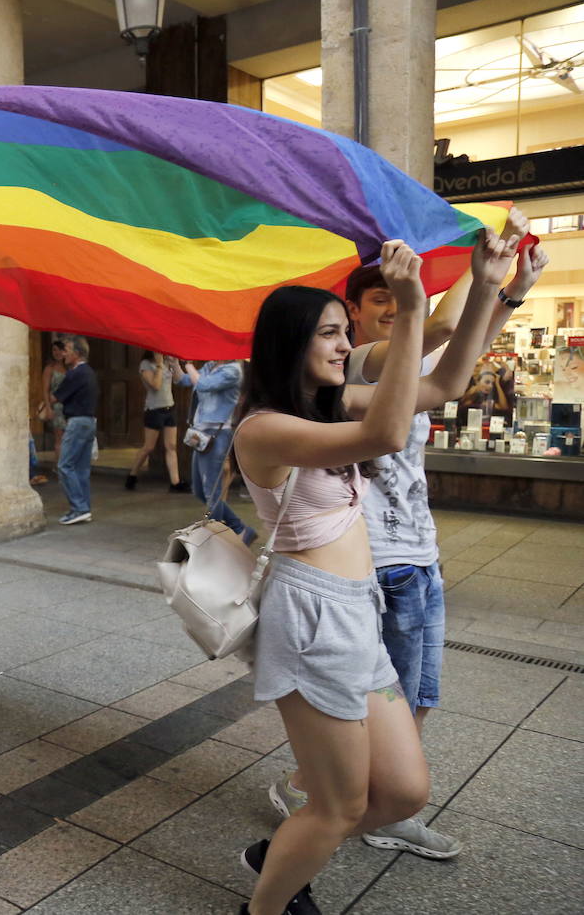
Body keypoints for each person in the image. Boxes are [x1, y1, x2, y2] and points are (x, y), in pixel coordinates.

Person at [232, 230, 522, 915]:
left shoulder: (333, 403)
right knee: (339, 804)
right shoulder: (263, 428)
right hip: (311, 620)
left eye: (343, 332)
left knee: (402, 793)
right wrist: (411, 303)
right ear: (289, 343)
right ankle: (266, 903)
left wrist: (489, 285)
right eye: (329, 334)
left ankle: (285, 853)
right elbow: (388, 435)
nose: (343, 346)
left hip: (357, 610)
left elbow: (445, 383)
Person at [178, 359, 254, 544]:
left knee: (211, 490)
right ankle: (239, 528)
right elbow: (183, 381)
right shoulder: (211, 365)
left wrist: (187, 362)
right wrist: (174, 364)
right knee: (198, 490)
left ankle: (217, 536)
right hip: (200, 434)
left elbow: (203, 385)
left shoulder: (233, 370)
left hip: (217, 435)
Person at [50, 335, 97, 525]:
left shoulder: (75, 373)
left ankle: (79, 507)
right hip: (89, 421)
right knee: (81, 468)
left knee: (65, 465)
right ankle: (84, 508)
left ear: (77, 353)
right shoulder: (89, 372)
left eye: (67, 350)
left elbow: (56, 397)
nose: (63, 354)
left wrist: (44, 405)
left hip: (77, 422)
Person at [126, 352, 188, 492]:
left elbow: (178, 380)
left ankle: (175, 483)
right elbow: (156, 385)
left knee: (171, 446)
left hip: (169, 408)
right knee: (149, 447)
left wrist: (175, 363)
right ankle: (132, 475)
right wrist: (159, 365)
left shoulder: (167, 361)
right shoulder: (145, 364)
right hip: (154, 410)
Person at [39, 337, 68, 459]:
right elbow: (45, 390)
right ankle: (59, 466)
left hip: (69, 406)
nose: (58, 353)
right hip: (56, 407)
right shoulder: (49, 369)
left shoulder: (69, 368)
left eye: (61, 350)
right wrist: (49, 408)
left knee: (68, 438)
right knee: (59, 437)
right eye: (55, 350)